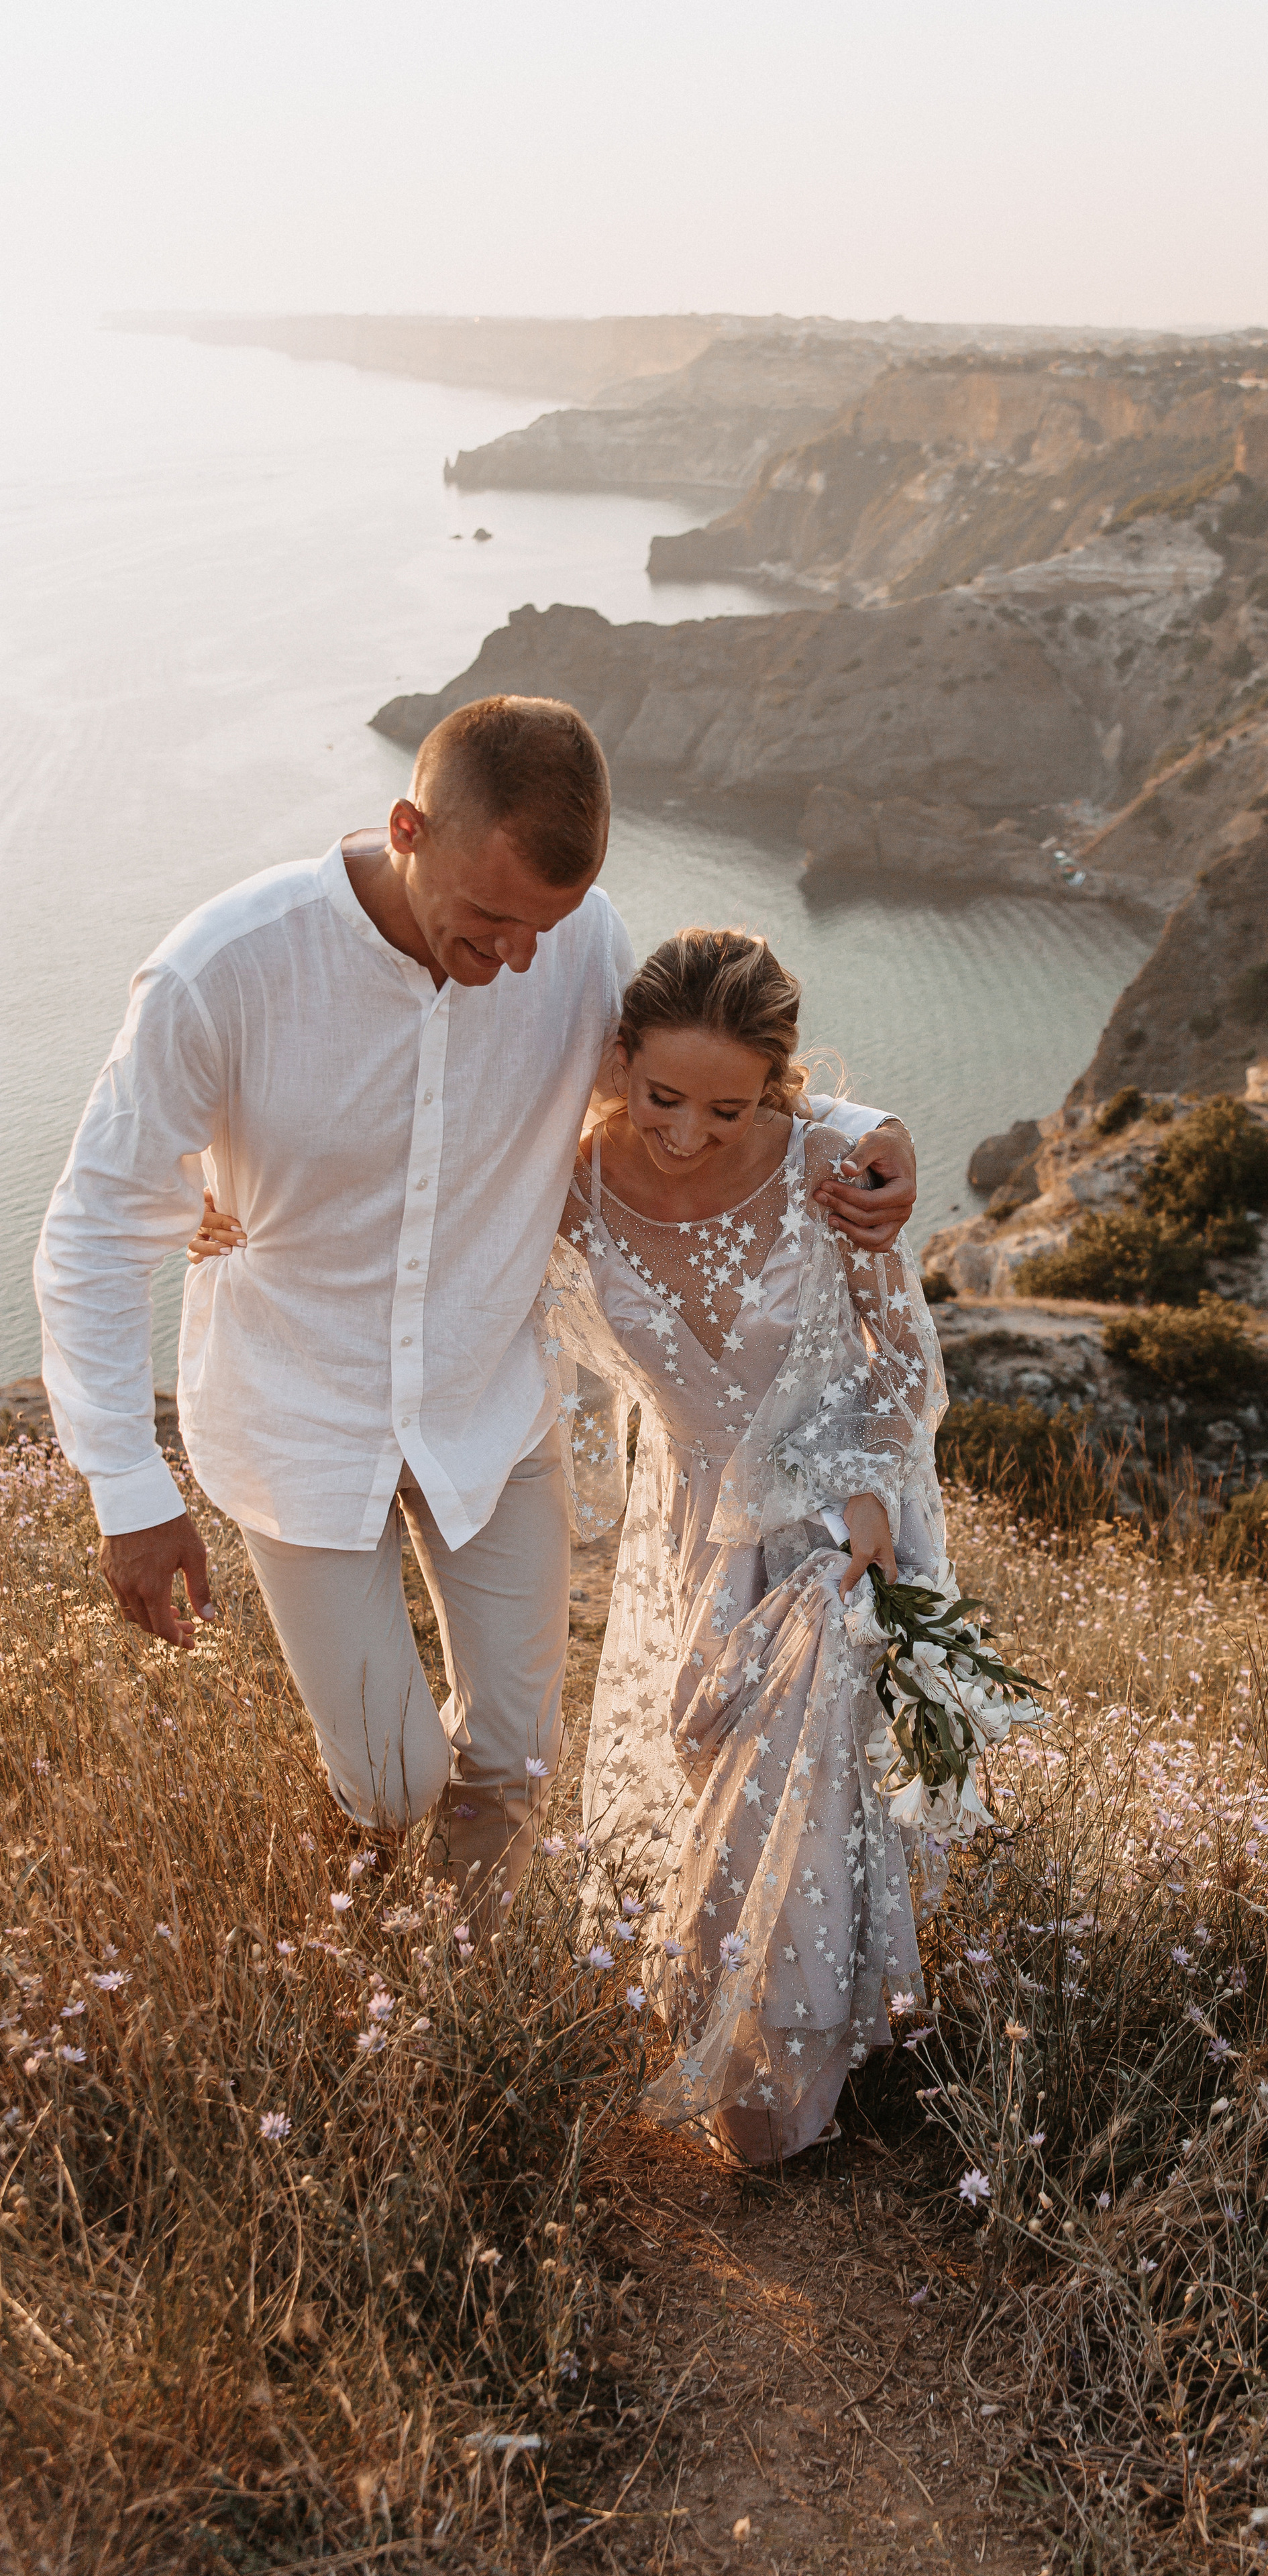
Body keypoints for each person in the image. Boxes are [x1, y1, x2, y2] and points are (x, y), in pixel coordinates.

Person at [34, 694, 916, 1923]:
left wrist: (856, 1133)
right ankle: (370, 1888)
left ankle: (451, 1988)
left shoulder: (581, 940)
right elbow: (89, 1230)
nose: (516, 959)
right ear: (406, 826)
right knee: (396, 1782)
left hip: (486, 1412)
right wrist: (129, 1492)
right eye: (492, 919)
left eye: (543, 931)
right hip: (297, 1420)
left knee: (517, 1759)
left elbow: (689, 1081)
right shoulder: (223, 971)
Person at [195, 926, 950, 2164]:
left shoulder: (835, 1167)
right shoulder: (569, 1183)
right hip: (691, 1526)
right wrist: (234, 1203)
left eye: (730, 1104)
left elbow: (900, 1353)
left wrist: (870, 1496)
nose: (692, 1132)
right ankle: (721, 2022)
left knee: (800, 1792)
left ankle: (780, 2088)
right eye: (663, 1096)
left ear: (781, 1086)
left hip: (836, 1519)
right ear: (614, 1062)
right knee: (708, 1773)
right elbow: (410, 1212)